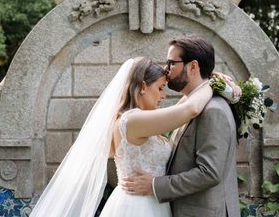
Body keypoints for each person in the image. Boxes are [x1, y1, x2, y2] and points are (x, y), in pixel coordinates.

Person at [28, 51, 237, 217]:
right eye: (161, 88)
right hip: (136, 206)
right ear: (144, 86)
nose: (164, 96)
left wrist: (210, 80)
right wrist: (210, 84)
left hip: (152, 203)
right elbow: (189, 109)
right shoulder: (132, 120)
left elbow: (189, 101)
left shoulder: (141, 119)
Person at [122, 36, 239, 216]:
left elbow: (209, 173)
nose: (165, 70)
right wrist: (214, 81)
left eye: (171, 63)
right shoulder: (191, 105)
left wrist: (154, 185)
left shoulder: (213, 110)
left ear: (193, 66)